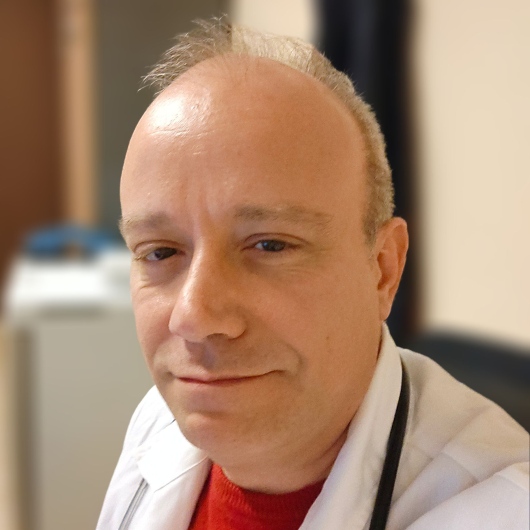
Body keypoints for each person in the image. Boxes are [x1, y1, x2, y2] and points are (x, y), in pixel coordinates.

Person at [96, 19, 529, 530]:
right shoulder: (157, 421)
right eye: (161, 252)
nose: (193, 317)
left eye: (270, 244)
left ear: (383, 270)